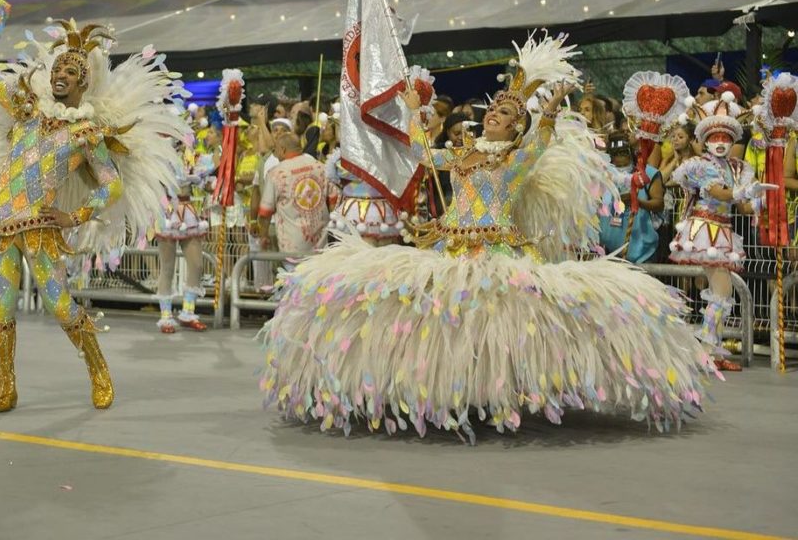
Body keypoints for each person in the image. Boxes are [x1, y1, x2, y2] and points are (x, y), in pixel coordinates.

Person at [259, 32, 718, 442]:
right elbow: (421, 153)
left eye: (504, 113)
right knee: (443, 322)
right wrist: (413, 113)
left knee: (496, 325)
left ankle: (496, 392)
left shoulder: (513, 160)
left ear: (515, 125)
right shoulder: (460, 155)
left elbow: (538, 144)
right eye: (494, 109)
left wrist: (550, 110)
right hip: (449, 246)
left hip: (498, 250)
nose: (495, 115)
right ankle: (451, 390)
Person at [0, 0, 187, 412]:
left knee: (60, 305)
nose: (60, 74)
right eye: (58, 68)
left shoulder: (85, 133)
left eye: (71, 71)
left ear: (84, 83)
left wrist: (73, 215)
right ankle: (5, 385)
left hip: (41, 228)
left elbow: (111, 185)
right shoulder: (24, 109)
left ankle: (98, 369)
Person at [669, 91, 773, 372]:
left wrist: (761, 200)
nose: (720, 142)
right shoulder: (701, 165)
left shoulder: (739, 168)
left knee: (721, 293)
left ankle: (710, 350)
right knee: (722, 292)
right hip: (705, 231)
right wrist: (743, 192)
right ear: (705, 140)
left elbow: (743, 208)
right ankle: (706, 350)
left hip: (722, 231)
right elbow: (720, 193)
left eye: (726, 138)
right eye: (714, 137)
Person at [154, 132, 213, 333]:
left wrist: (212, 185)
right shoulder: (158, 158)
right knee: (168, 267)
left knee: (196, 265)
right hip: (168, 212)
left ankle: (188, 312)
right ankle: (166, 316)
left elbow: (205, 183)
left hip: (188, 212)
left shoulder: (194, 158)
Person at [257, 133, 334, 254]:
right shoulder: (320, 167)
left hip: (293, 250)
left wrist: (263, 235)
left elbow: (265, 212)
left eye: (275, 149)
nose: (275, 154)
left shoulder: (276, 173)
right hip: (322, 247)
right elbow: (334, 202)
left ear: (283, 150)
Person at [599, 132, 663, 263]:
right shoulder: (602, 175)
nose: (620, 157)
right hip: (609, 253)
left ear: (631, 151)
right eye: (616, 153)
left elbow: (659, 203)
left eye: (623, 152)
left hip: (642, 254)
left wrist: (638, 202)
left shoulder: (648, 173)